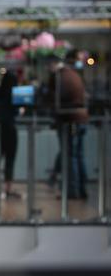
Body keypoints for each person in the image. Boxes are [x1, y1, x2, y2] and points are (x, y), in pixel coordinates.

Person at [46, 50, 89, 199]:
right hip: (81, 118)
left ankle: (72, 191)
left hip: (69, 119)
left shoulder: (57, 76)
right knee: (78, 155)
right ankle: (82, 189)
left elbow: (51, 99)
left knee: (70, 156)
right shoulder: (74, 74)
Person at [0, 70, 20, 199]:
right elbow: (16, 111)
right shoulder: (14, 94)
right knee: (10, 159)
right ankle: (8, 188)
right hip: (10, 128)